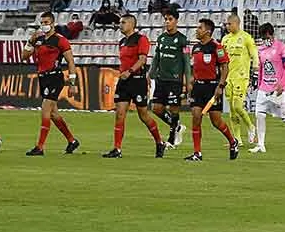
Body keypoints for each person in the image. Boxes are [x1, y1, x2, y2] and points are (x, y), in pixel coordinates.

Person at [102, 15, 166, 158]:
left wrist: (130, 71)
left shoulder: (141, 39)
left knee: (143, 115)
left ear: (132, 24)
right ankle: (117, 149)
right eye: (120, 23)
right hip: (124, 81)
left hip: (137, 80)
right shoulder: (122, 42)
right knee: (119, 114)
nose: (120, 25)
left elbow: (142, 59)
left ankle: (159, 142)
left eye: (123, 22)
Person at [22, 12, 81, 156]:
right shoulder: (38, 39)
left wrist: (72, 83)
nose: (44, 25)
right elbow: (24, 57)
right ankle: (72, 141)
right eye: (42, 23)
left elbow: (71, 62)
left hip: (55, 77)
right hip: (43, 77)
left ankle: (40, 147)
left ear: (53, 23)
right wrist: (30, 42)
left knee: (45, 109)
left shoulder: (60, 40)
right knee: (54, 114)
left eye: (46, 22)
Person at [185, 18, 240, 162]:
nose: (197, 30)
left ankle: (232, 142)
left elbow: (225, 67)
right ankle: (197, 153)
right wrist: (190, 82)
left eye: (200, 28)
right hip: (198, 87)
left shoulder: (217, 47)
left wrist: (220, 86)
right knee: (196, 117)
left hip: (212, 87)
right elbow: (195, 67)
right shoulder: (195, 47)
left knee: (216, 121)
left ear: (207, 31)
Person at [250, 23, 285, 154]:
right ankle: (261, 145)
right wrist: (258, 84)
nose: (264, 39)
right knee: (259, 114)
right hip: (264, 88)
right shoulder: (261, 49)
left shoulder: (282, 47)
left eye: (266, 36)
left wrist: (282, 83)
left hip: (279, 88)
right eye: (262, 37)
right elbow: (261, 68)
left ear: (271, 34)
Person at [150, 9, 190, 148]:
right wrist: (150, 74)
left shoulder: (182, 39)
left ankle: (172, 139)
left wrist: (187, 80)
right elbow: (156, 58)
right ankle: (177, 126)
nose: (167, 22)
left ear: (176, 21)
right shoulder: (161, 38)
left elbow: (186, 61)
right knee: (156, 108)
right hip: (161, 79)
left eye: (170, 19)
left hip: (175, 80)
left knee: (174, 109)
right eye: (166, 19)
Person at [220, 13, 258, 145]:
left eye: (229, 24)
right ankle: (237, 139)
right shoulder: (225, 39)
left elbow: (255, 55)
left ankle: (251, 127)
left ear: (237, 23)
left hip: (241, 77)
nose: (227, 26)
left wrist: (256, 70)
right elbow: (220, 58)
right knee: (231, 109)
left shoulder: (246, 38)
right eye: (226, 24)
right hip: (228, 78)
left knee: (237, 106)